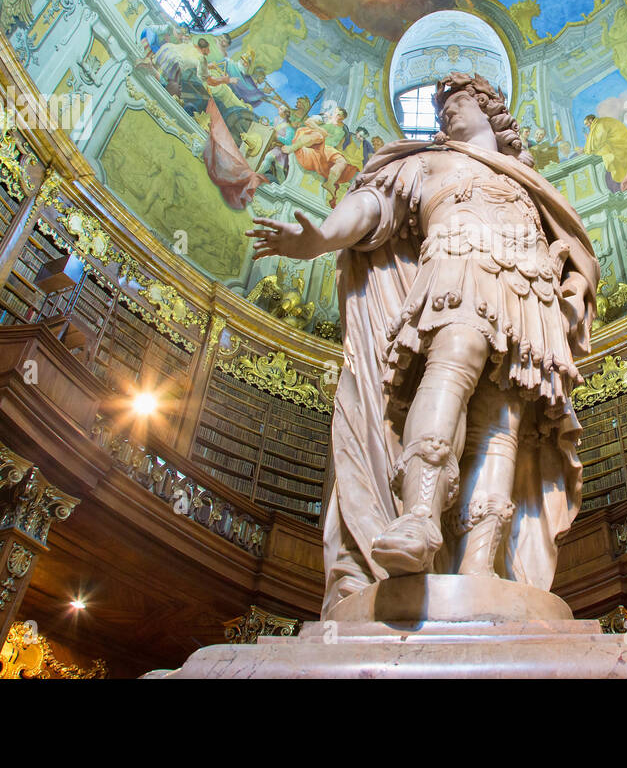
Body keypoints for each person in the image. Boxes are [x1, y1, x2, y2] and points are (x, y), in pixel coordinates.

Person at [247, 72, 597, 616]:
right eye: (442, 109)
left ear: (490, 108)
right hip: (459, 265)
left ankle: (479, 566)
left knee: (502, 424)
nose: (446, 115)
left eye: (458, 102)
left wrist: (575, 286)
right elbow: (374, 207)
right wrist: (320, 238)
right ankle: (418, 518)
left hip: (528, 290)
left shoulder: (529, 181)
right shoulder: (425, 160)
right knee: (451, 364)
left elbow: (575, 252)